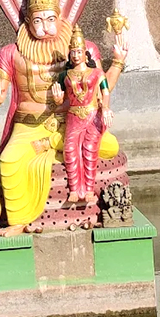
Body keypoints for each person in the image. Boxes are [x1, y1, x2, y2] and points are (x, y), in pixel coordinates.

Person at [0, 0, 128, 236]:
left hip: (74, 121)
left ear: (60, 17)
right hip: (29, 127)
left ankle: (51, 145)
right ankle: (18, 220)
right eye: (38, 21)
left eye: (51, 19)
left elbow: (101, 87)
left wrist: (118, 62)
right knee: (8, 161)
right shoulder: (10, 54)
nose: (45, 27)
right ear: (27, 21)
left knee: (109, 145)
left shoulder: (83, 50)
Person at [51, 25, 113, 205]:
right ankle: (74, 189)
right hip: (73, 116)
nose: (76, 55)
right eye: (73, 52)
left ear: (85, 53)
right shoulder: (65, 75)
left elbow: (106, 92)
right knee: (70, 149)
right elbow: (60, 99)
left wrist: (106, 108)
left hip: (92, 114)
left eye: (79, 51)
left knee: (89, 149)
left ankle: (88, 190)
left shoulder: (97, 73)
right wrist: (57, 99)